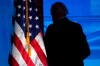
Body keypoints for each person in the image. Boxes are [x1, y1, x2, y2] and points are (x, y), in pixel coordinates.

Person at [44, 2, 91, 66]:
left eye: (52, 14)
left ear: (55, 13)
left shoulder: (51, 29)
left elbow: (47, 52)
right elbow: (86, 51)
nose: (52, 17)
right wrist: (75, 60)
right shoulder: (76, 27)